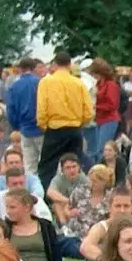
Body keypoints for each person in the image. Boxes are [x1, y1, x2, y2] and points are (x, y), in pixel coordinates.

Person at [36, 52, 92, 186]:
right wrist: (80, 123)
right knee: (75, 165)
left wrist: (44, 125)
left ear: (54, 64)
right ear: (70, 65)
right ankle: (78, 193)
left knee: (47, 166)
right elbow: (89, 111)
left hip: (55, 128)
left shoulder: (46, 82)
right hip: (74, 128)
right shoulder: (79, 84)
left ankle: (46, 196)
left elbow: (42, 108)